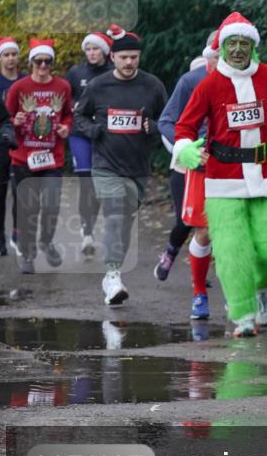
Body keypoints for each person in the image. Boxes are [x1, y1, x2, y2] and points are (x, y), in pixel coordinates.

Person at [173, 12, 267, 337]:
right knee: (232, 251)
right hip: (223, 179)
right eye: (232, 44)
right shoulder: (209, 84)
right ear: (222, 47)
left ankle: (258, 291)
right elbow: (184, 126)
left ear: (253, 47)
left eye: (244, 43)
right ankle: (242, 315)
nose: (238, 50)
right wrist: (186, 150)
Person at [74, 26, 168, 305]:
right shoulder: (98, 86)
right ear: (112, 57)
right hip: (106, 163)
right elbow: (80, 116)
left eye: (134, 57)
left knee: (125, 221)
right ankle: (113, 275)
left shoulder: (153, 86)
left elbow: (169, 119)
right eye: (124, 57)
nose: (129, 62)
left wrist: (154, 127)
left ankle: (110, 275)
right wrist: (92, 130)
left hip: (137, 166)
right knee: (115, 212)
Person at [157, 30, 220, 320]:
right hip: (195, 165)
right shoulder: (191, 81)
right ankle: (195, 287)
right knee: (196, 227)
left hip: (237, 166)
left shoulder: (252, 81)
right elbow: (167, 121)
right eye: (218, 55)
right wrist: (186, 147)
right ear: (209, 56)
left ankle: (245, 295)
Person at [5, 39, 73, 274]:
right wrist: (14, 120)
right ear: (31, 62)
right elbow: (5, 118)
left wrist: (66, 127)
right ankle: (28, 253)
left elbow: (68, 114)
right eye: (38, 61)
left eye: (47, 61)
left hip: (52, 157)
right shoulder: (19, 87)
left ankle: (46, 241)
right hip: (24, 158)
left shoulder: (63, 86)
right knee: (28, 208)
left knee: (52, 205)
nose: (43, 66)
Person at [65, 31, 114, 258]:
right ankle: (87, 232)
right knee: (87, 183)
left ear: (104, 51)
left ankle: (98, 227)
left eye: (96, 49)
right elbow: (64, 98)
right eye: (88, 49)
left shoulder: (112, 72)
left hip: (105, 135)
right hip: (80, 134)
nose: (92, 53)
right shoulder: (76, 72)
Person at [0, 37, 26, 256]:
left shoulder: (26, 81)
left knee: (20, 190)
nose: (11, 58)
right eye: (6, 55)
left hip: (21, 143)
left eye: (14, 54)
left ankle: (17, 235)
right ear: (0, 58)